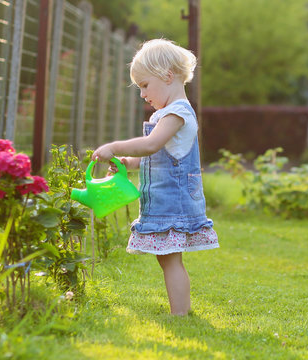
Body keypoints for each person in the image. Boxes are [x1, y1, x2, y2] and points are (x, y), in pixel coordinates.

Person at [92, 39, 219, 316]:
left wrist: (114, 147)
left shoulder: (177, 113)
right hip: (164, 199)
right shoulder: (167, 113)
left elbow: (151, 145)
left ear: (167, 76)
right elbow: (153, 155)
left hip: (174, 201)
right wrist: (128, 161)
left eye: (145, 85)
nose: (142, 94)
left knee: (171, 260)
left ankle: (180, 315)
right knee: (167, 259)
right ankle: (181, 311)